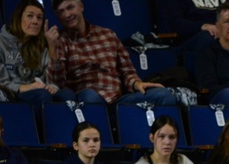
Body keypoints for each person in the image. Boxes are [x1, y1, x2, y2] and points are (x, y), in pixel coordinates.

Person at [46, 0, 176, 106]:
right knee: (89, 96)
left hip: (118, 101)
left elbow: (127, 71)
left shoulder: (108, 35)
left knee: (163, 95)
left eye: (70, 7)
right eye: (61, 12)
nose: (67, 14)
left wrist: (136, 83)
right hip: (86, 102)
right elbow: (58, 84)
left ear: (81, 6)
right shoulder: (60, 41)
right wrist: (53, 50)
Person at [0, 0, 71, 111]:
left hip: (40, 92)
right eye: (30, 16)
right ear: (18, 18)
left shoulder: (42, 47)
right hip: (11, 96)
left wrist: (52, 86)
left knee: (67, 95)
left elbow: (53, 80)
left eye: (39, 18)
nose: (35, 21)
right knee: (42, 95)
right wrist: (28, 87)